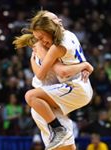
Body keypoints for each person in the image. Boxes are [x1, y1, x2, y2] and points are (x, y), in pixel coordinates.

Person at [13, 10, 93, 150]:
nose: (42, 41)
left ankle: (58, 129)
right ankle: (59, 131)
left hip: (74, 87)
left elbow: (49, 73)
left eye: (41, 37)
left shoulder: (53, 47)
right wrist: (85, 65)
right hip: (68, 88)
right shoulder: (69, 35)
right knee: (64, 145)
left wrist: (32, 59)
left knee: (31, 96)